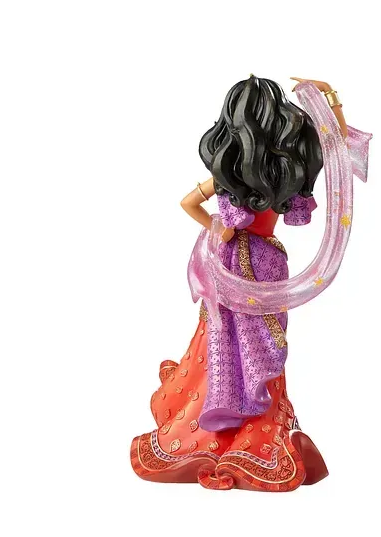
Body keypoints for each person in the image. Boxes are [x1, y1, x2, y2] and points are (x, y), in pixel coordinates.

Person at [131, 76, 347, 491]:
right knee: (250, 342)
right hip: (263, 263)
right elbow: (334, 144)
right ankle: (249, 422)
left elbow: (187, 202)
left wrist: (219, 228)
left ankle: (235, 416)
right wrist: (328, 97)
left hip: (236, 263)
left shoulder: (235, 173)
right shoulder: (282, 169)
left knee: (229, 340)